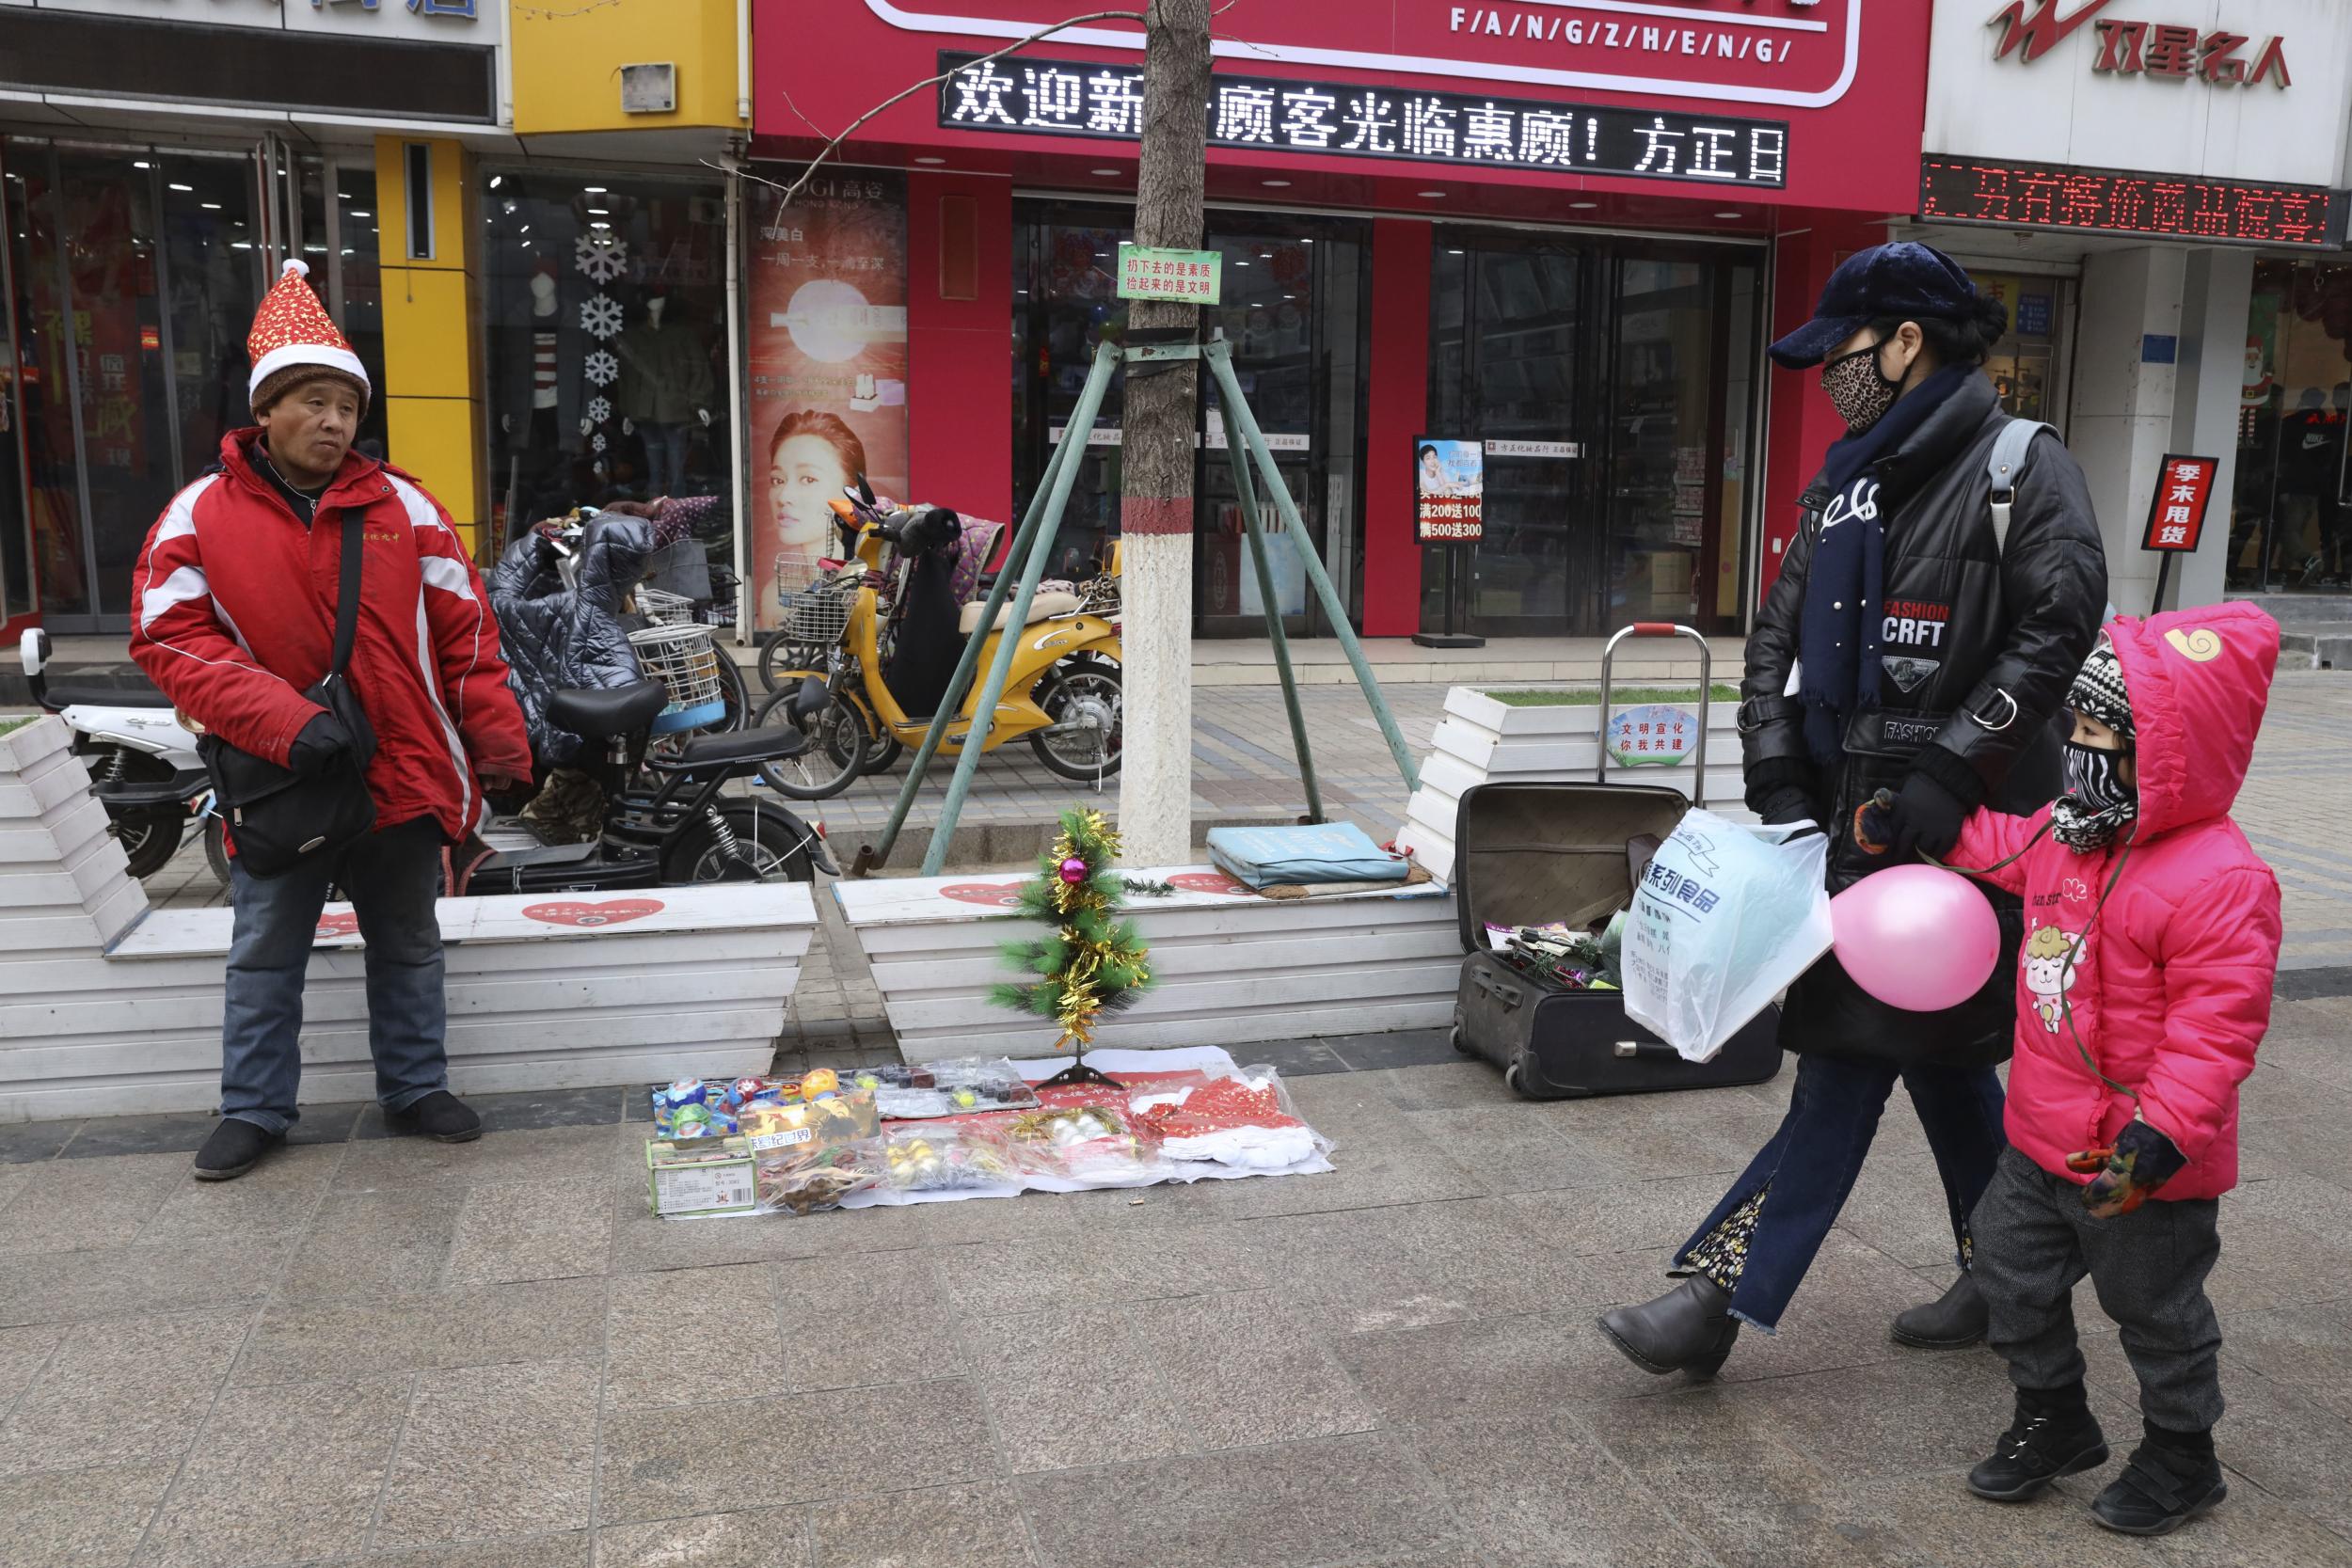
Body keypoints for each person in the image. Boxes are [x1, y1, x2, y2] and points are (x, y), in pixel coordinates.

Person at [1596, 243, 2108, 1376]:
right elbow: (1774, 635)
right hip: (1845, 820)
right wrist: (1776, 765)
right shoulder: (1846, 481)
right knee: (1936, 1054)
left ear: (1906, 343)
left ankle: (1715, 1295)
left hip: (1960, 841)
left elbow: (2058, 625)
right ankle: (2010, 1267)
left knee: (1846, 1053)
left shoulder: (2019, 464)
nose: (1831, 373)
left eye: (1842, 350)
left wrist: (1951, 772)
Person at [129, 260, 533, 1181]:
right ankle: (255, 1107)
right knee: (265, 950)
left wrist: (502, 745)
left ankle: (415, 1084)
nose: (334, 422)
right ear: (264, 409)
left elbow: (468, 636)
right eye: (312, 402)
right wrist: (282, 717)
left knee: (410, 941)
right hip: (282, 782)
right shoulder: (197, 516)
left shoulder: (410, 508)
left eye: (346, 406)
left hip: (401, 774)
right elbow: (165, 636)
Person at [1944, 608, 2280, 1536]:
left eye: (2096, 733)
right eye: (2077, 728)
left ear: (2163, 751)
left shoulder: (2220, 879)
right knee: (2005, 1267)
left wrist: (2158, 1138)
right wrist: (1928, 824)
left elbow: (2215, 1034)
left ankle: (2183, 1452)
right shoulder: (2072, 829)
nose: (2076, 747)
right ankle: (2054, 1414)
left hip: (2146, 1160)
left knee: (2154, 1307)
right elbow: (1999, 847)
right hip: (2041, 1132)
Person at [769, 408, 866, 590]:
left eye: (808, 479)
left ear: (854, 495)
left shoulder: (866, 590)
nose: (783, 497)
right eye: (778, 480)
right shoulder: (776, 597)